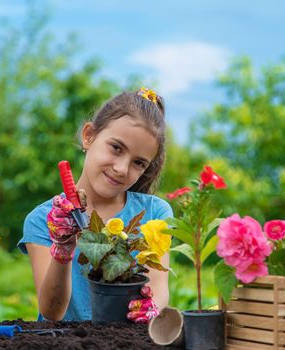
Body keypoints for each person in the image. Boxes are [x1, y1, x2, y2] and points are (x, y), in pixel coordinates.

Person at [17, 88, 173, 323]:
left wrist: (152, 308)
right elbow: (51, 312)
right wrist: (63, 249)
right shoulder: (43, 220)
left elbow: (159, 291)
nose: (121, 168)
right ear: (89, 136)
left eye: (138, 163)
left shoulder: (155, 213)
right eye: (116, 148)